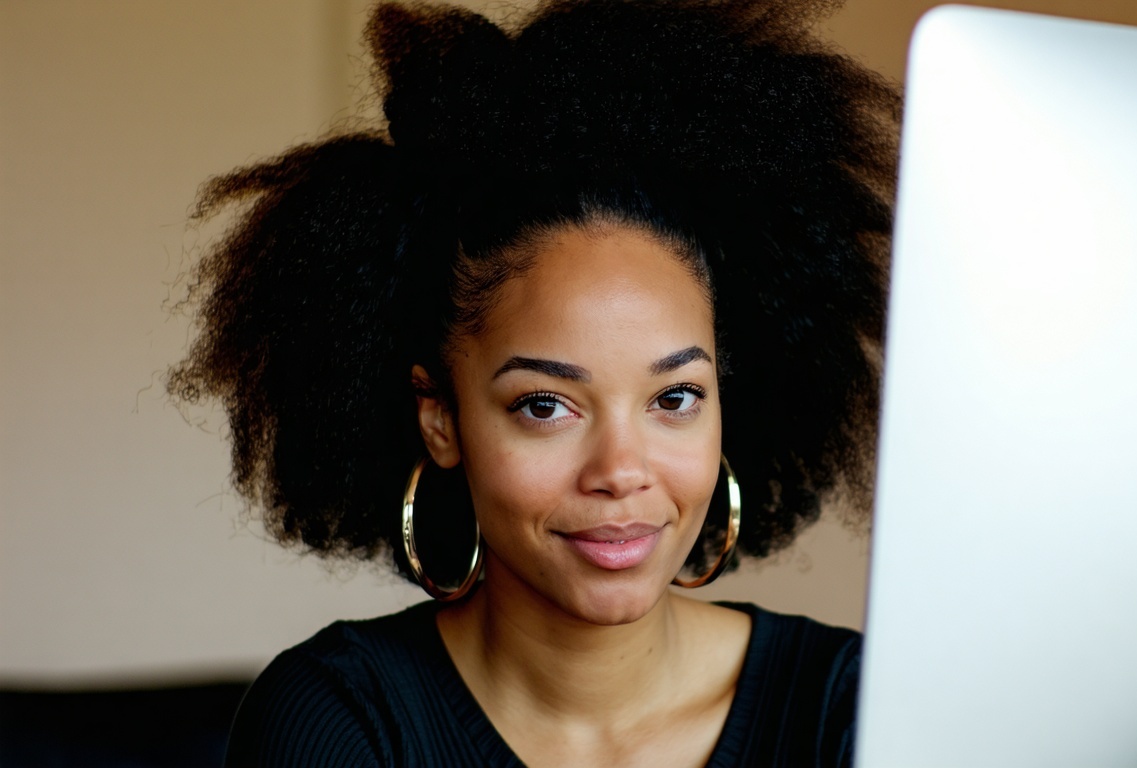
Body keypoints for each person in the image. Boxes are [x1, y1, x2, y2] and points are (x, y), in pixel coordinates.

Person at [168, 0, 897, 764]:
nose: (621, 471)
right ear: (441, 419)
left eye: (674, 398)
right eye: (546, 405)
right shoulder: (337, 723)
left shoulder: (853, 712)